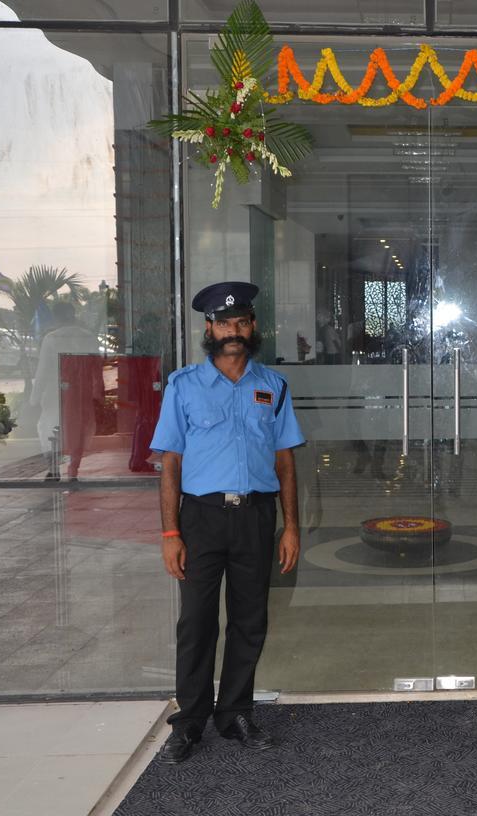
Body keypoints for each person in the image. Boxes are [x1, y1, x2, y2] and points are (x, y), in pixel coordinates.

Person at [149, 281, 305, 765]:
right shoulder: (183, 386)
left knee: (249, 620)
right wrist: (171, 532)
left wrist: (291, 526)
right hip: (201, 518)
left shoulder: (273, 387)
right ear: (208, 329)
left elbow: (284, 463)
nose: (232, 332)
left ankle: (234, 712)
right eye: (223, 323)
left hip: (256, 518)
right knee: (196, 622)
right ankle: (190, 720)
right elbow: (170, 464)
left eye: (240, 323)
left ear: (252, 327)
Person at [30, 301, 102, 478]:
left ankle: (53, 469)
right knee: (78, 429)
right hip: (81, 393)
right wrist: (98, 392)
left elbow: (43, 370)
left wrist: (34, 397)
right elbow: (97, 369)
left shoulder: (52, 338)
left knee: (49, 428)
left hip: (55, 392)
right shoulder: (88, 337)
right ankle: (73, 470)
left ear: (56, 317)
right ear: (73, 314)